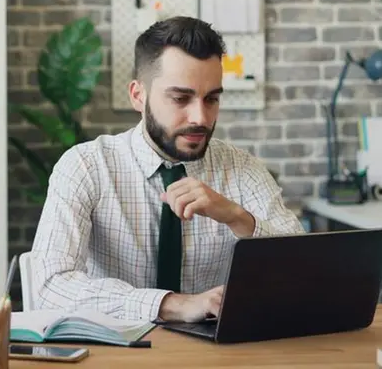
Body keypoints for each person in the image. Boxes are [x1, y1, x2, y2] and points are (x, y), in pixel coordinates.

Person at [27, 16, 305, 323]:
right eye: (180, 98)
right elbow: (51, 287)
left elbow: (302, 270)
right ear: (138, 95)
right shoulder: (86, 166)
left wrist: (236, 217)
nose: (200, 117)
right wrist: (172, 305)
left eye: (211, 99)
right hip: (114, 352)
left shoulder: (243, 169)